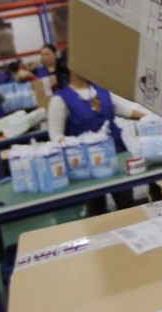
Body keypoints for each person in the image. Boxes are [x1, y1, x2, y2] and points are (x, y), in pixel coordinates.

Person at [48, 67, 146, 213]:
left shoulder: (102, 91)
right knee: (96, 209)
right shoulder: (60, 99)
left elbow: (125, 110)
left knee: (126, 203)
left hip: (116, 156)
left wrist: (151, 118)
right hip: (86, 166)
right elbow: (56, 137)